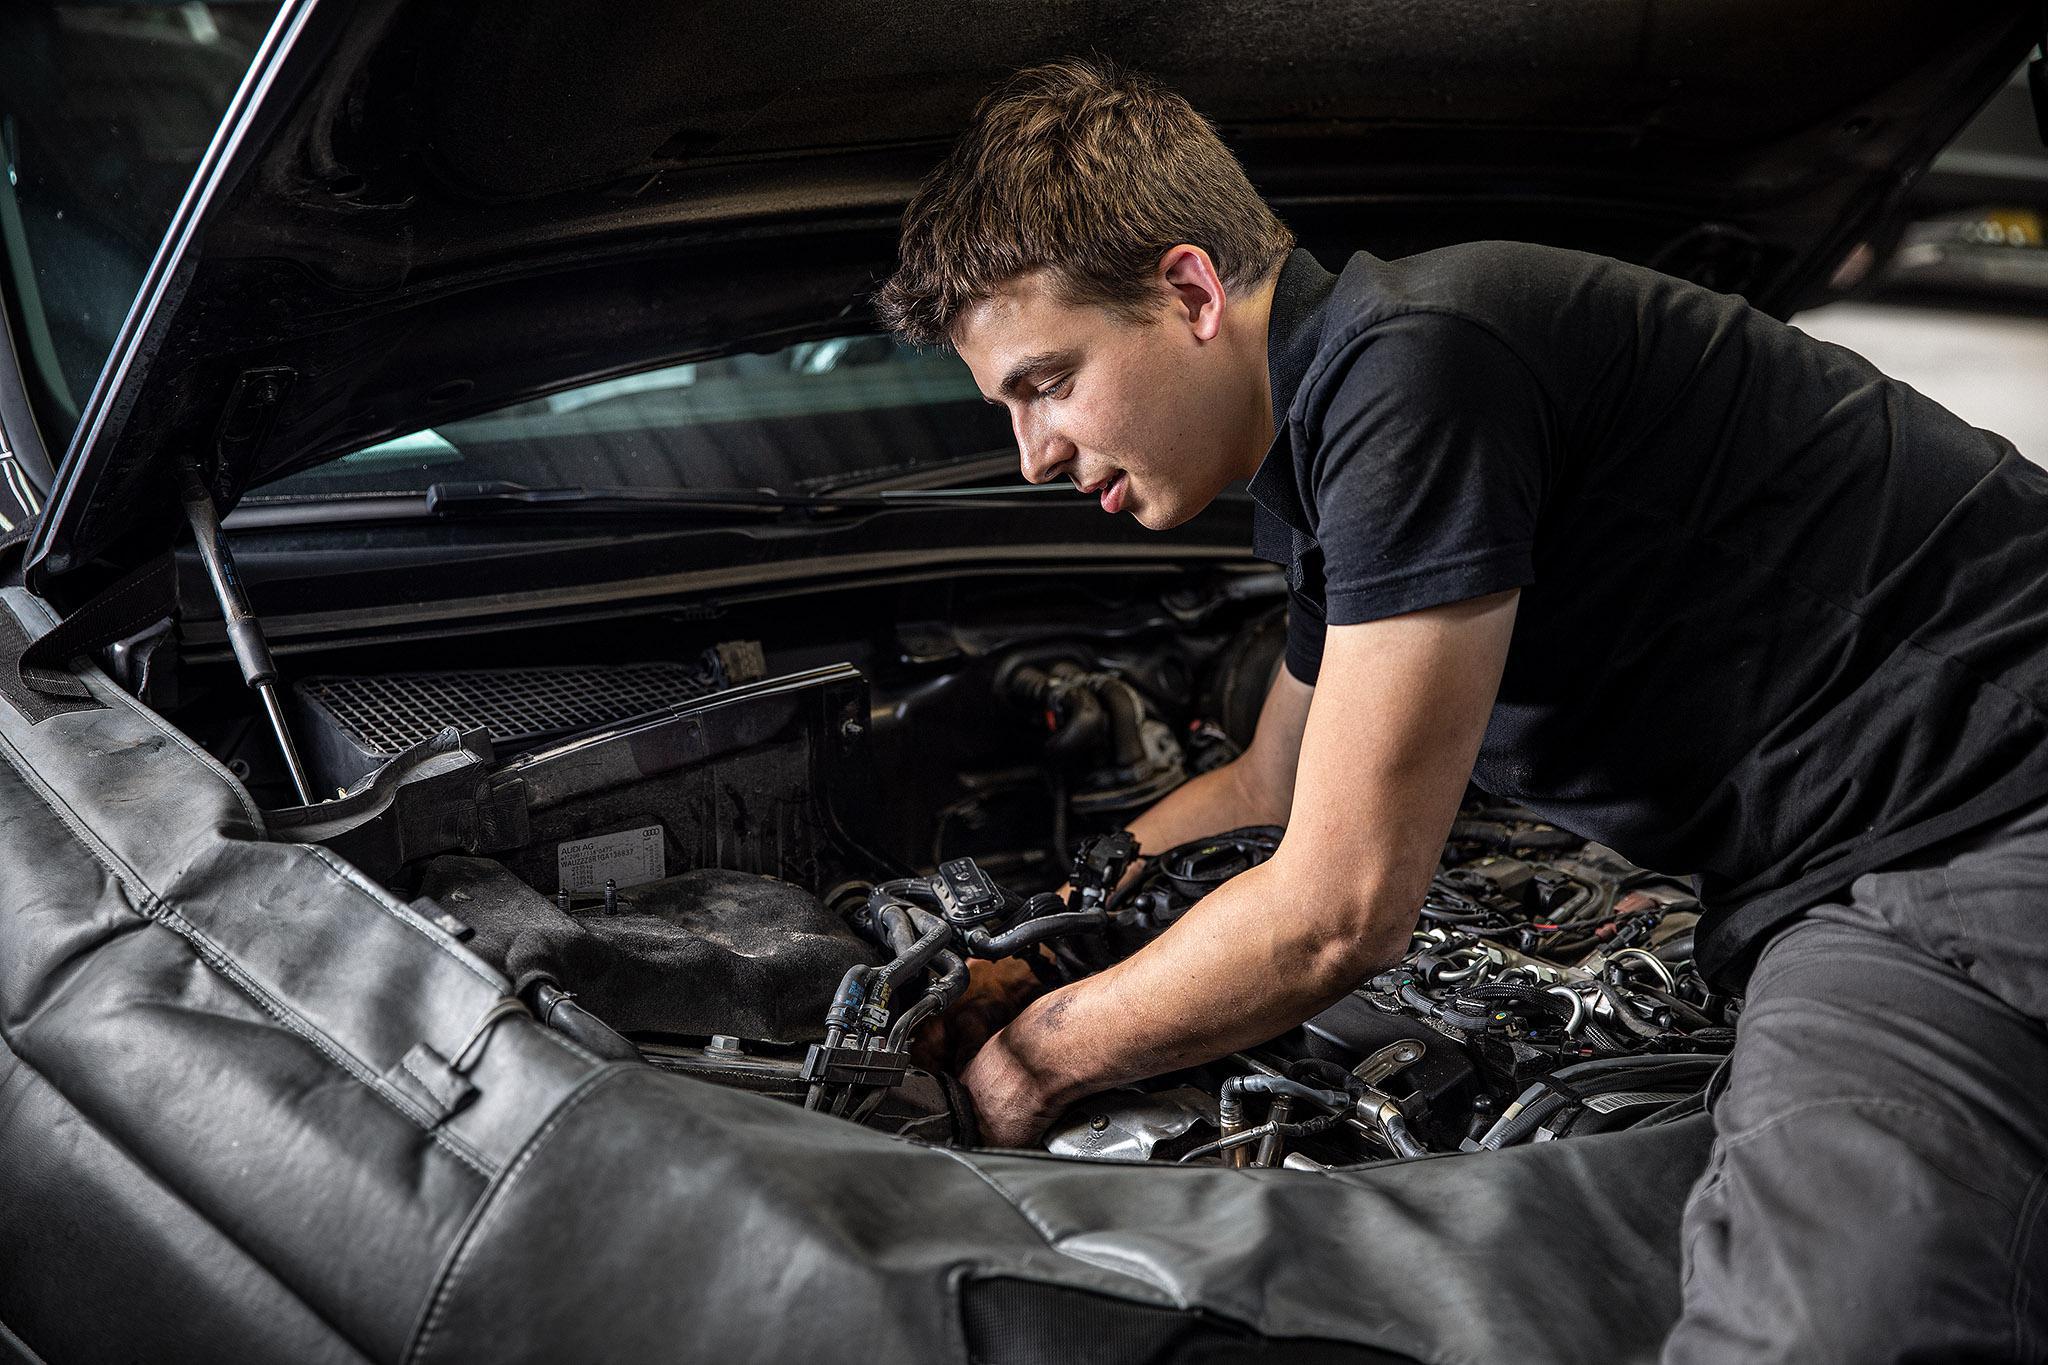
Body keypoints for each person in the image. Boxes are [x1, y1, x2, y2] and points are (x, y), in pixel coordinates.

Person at [874, 57, 2048, 1361]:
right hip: (1883, 839)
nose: (1031, 454)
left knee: (1807, 1330)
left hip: (1978, 815)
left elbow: (1340, 914)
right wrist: (1054, 923)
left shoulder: (1414, 366)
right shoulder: (1338, 448)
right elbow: (1271, 782)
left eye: (1043, 382)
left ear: (1191, 288)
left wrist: (1035, 1057)